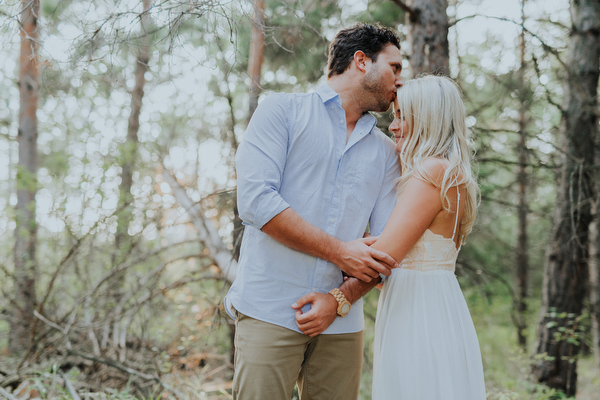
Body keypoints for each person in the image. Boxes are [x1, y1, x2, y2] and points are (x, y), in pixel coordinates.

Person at [224, 23, 404, 400]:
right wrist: (341, 252)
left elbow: (388, 246)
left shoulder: (387, 152)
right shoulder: (281, 111)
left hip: (342, 325)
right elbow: (256, 202)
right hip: (269, 309)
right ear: (360, 61)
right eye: (395, 67)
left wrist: (338, 299)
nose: (400, 81)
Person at [294, 75, 486, 399]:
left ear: (426, 119)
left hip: (419, 309)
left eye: (401, 116)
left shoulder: (431, 172)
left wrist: (342, 252)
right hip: (433, 299)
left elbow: (383, 256)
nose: (393, 126)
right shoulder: (450, 172)